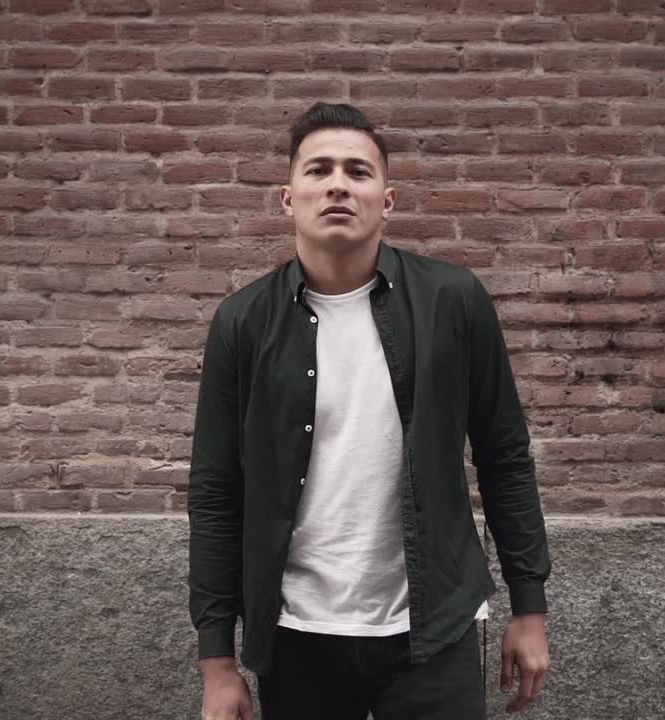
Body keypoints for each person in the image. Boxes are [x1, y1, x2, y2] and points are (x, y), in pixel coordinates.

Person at [188, 102, 552, 720]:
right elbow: (217, 490)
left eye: (358, 171)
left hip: (433, 628)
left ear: (386, 200)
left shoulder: (453, 301)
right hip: (297, 635)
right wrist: (217, 661)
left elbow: (504, 456)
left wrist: (530, 607)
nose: (337, 183)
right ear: (287, 197)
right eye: (318, 169)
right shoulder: (243, 322)